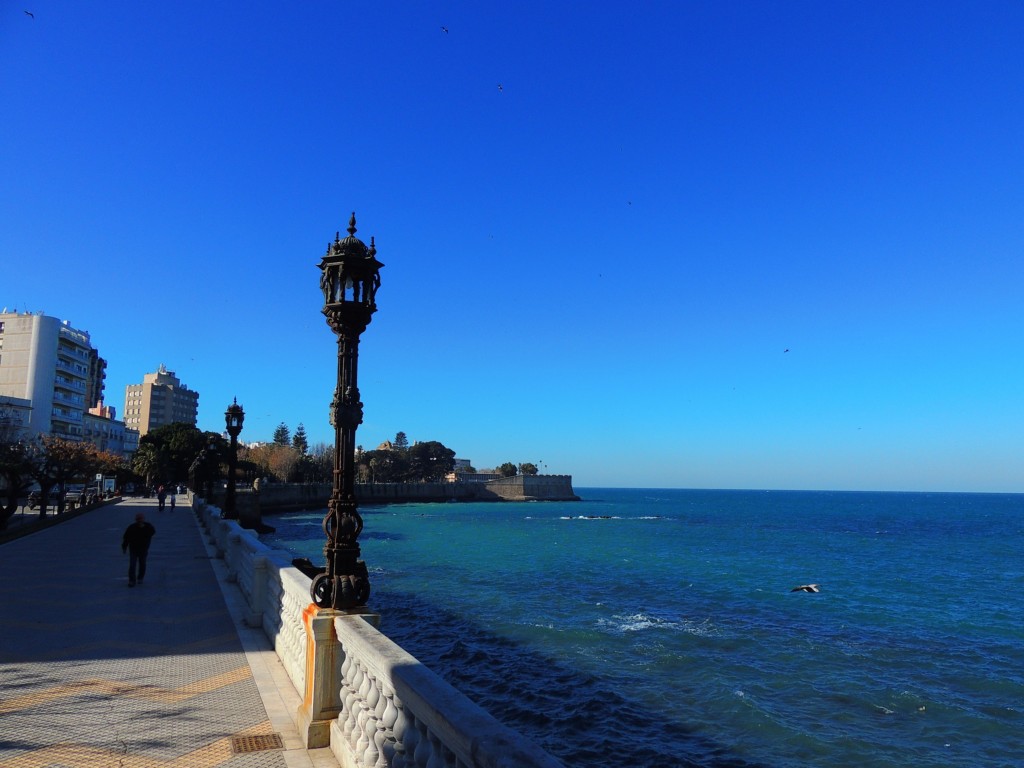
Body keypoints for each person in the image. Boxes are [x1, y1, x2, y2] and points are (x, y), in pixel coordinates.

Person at [122, 513, 156, 587]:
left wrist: (145, 530)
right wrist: (124, 547)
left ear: (143, 519)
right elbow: (126, 538)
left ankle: (140, 577)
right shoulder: (131, 527)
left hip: (143, 549)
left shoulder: (148, 526)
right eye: (138, 519)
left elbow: (152, 532)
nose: (139, 521)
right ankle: (132, 581)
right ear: (136, 520)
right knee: (132, 565)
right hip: (133, 549)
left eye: (141, 519)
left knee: (142, 564)